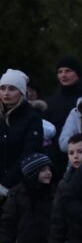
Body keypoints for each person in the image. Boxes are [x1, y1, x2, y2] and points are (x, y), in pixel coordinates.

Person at [1, 69, 45, 200]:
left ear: (21, 92)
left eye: (12, 89)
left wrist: (4, 186)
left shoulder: (32, 118)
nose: (6, 93)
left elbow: (29, 155)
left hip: (21, 190)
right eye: (2, 88)